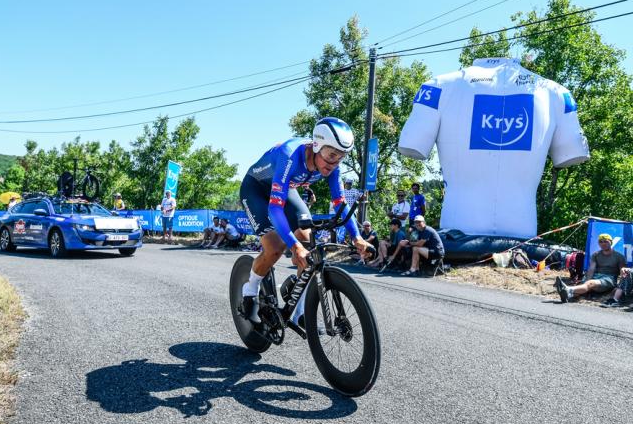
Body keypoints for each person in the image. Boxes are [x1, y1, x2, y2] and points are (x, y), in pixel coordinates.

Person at [399, 57, 590, 239]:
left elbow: (412, 142)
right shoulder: (556, 93)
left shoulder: (437, 86)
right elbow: (571, 151)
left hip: (457, 226)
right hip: (522, 228)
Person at [239, 117, 372, 324]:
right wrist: (293, 246)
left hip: (285, 189)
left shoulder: (331, 166)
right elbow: (275, 208)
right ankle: (250, 288)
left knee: (308, 246)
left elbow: (340, 203)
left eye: (341, 157)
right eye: (331, 155)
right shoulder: (290, 155)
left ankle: (300, 312)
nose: (334, 163)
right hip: (255, 188)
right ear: (317, 145)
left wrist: (357, 237)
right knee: (275, 247)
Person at [554, 233, 625, 303]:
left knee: (590, 284)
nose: (603, 243)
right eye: (601, 242)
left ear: (611, 242)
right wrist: (586, 281)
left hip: (609, 278)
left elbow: (622, 270)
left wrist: (620, 285)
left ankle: (568, 289)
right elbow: (591, 269)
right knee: (585, 286)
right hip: (596, 276)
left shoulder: (619, 256)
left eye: (606, 241)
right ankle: (568, 295)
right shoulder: (595, 255)